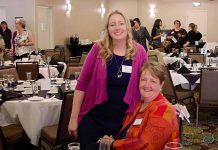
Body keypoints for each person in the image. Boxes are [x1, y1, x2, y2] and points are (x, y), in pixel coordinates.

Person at [68, 10, 148, 150]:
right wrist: (73, 119)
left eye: (121, 23)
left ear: (127, 27)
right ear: (107, 29)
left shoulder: (139, 51)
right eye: (112, 24)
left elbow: (148, 84)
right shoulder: (98, 49)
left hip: (125, 120)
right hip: (96, 117)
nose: (117, 28)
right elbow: (82, 84)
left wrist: (163, 104)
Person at [99, 61, 180, 150]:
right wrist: (112, 140)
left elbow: (146, 144)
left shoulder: (163, 109)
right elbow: (126, 131)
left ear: (161, 84)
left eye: (153, 81)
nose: (146, 85)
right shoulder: (139, 103)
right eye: (143, 79)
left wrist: (113, 144)